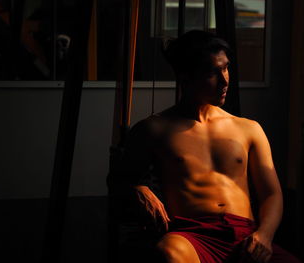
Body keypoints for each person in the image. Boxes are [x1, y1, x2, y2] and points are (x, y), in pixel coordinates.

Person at [119, 30, 301, 263]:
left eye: (225, 68)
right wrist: (138, 187)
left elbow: (272, 194)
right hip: (191, 236)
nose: (225, 80)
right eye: (212, 73)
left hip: (246, 235)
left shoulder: (249, 128)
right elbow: (119, 180)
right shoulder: (154, 129)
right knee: (169, 253)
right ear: (185, 77)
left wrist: (264, 236)